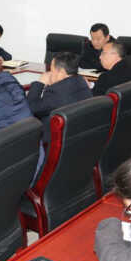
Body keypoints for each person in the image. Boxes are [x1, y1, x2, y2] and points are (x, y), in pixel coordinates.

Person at [27, 52, 92, 181]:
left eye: (51, 69)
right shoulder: (81, 82)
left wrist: (39, 83)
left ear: (61, 72)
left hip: (53, 141)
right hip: (77, 138)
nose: (49, 73)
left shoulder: (57, 92)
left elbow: (31, 108)